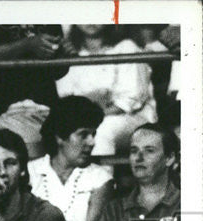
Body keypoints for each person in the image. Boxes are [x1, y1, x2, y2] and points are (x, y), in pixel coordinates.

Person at [28, 97, 112, 221]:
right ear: (60, 136)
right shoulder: (31, 171)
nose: (92, 142)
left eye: (93, 134)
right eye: (83, 134)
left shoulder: (100, 177)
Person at [54, 25, 157, 155]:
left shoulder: (126, 47)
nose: (91, 21)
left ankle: (102, 175)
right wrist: (98, 98)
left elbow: (131, 99)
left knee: (101, 130)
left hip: (130, 118)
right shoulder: (69, 53)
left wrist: (91, 106)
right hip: (83, 119)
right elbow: (66, 98)